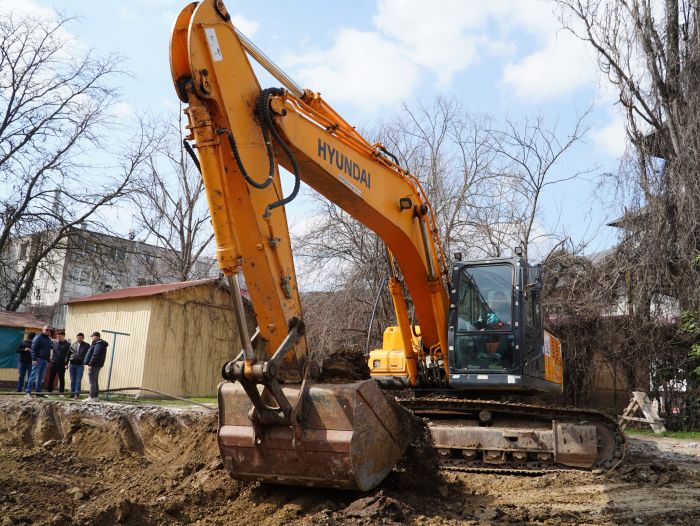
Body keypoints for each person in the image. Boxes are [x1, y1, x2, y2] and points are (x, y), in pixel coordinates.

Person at [26, 325, 52, 397]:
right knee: (33, 376)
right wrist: (34, 359)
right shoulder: (38, 337)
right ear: (42, 330)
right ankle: (28, 392)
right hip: (38, 359)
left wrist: (48, 360)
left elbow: (48, 350)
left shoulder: (48, 339)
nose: (48, 331)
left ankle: (39, 392)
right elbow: (33, 349)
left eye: (49, 330)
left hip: (45, 360)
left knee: (41, 378)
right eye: (46, 330)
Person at [83, 331, 108, 402]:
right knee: (95, 380)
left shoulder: (98, 344)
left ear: (96, 336)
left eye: (93, 336)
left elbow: (95, 354)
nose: (92, 338)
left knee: (92, 381)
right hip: (97, 364)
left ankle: (92, 396)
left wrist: (90, 364)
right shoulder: (100, 343)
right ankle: (96, 396)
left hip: (94, 365)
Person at [67, 333, 89, 399]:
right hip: (72, 364)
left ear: (83, 338)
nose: (79, 338)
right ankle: (72, 393)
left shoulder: (86, 345)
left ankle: (76, 394)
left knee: (78, 380)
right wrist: (66, 363)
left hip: (80, 365)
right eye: (78, 337)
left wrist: (85, 361)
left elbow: (88, 355)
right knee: (72, 380)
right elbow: (68, 354)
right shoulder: (73, 344)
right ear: (76, 337)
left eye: (81, 337)